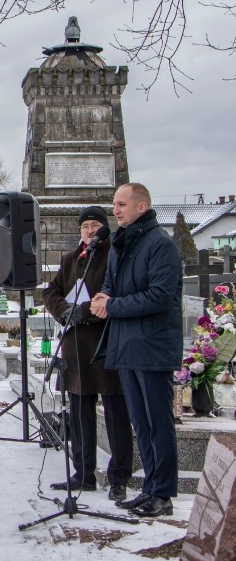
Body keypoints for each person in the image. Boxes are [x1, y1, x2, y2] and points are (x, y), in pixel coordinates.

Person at [91, 183, 183, 518]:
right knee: (141, 424)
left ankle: (163, 493)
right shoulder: (120, 244)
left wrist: (113, 305)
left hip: (153, 346)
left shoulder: (161, 246)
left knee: (158, 423)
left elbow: (159, 297)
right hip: (126, 345)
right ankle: (149, 488)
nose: (115, 210)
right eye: (114, 204)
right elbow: (111, 286)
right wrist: (103, 299)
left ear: (141, 207)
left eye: (122, 204)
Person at [42, 206, 133, 501]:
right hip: (75, 347)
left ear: (103, 229)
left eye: (95, 225)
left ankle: (119, 477)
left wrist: (82, 312)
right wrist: (65, 312)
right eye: (85, 227)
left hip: (105, 344)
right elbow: (50, 293)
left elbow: (114, 295)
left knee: (116, 415)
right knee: (80, 415)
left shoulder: (114, 256)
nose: (90, 231)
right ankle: (83, 473)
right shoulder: (71, 259)